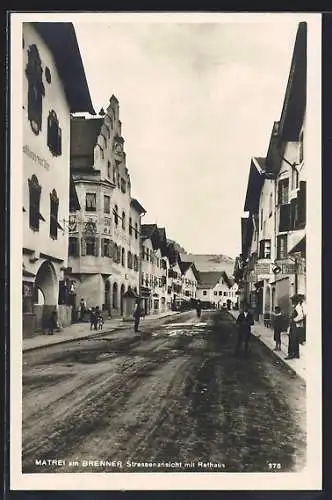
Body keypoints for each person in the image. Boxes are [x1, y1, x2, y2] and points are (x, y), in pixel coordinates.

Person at [285, 295, 303, 359]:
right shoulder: (295, 307)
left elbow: (301, 316)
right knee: (294, 340)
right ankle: (295, 354)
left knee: (292, 340)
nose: (292, 301)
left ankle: (291, 354)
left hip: (295, 326)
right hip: (293, 325)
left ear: (295, 301)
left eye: (293, 300)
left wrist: (294, 320)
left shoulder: (298, 307)